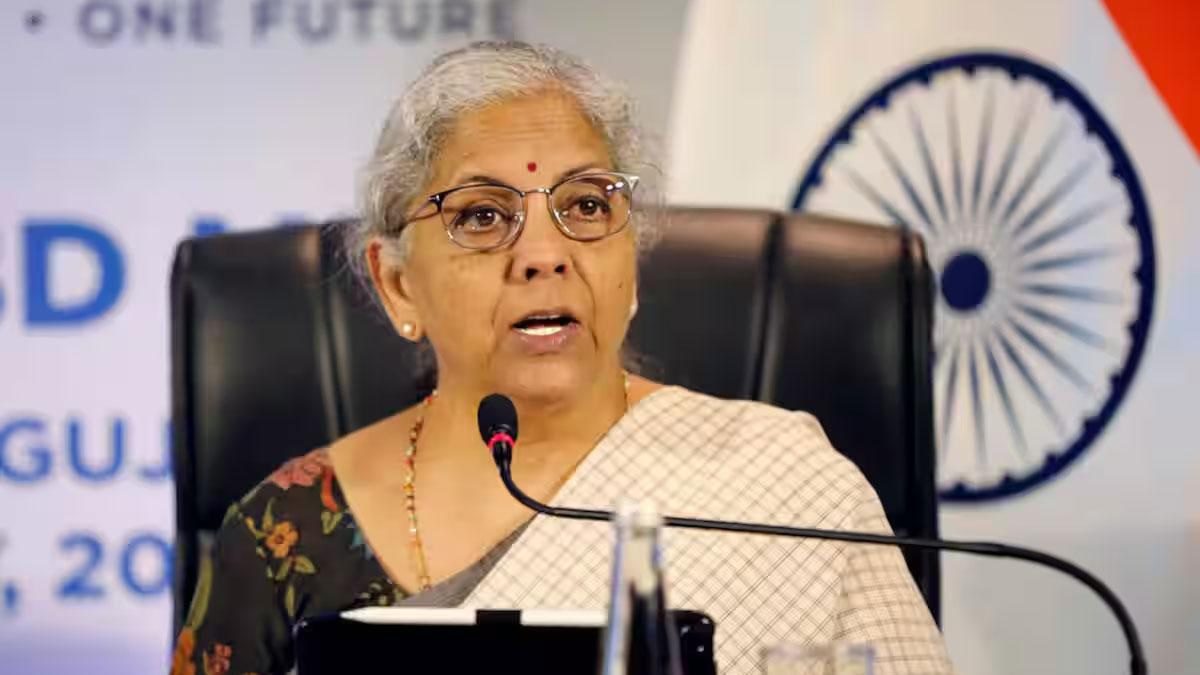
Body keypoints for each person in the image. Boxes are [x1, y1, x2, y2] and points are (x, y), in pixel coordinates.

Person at [170, 41, 953, 675]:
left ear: (631, 260)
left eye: (585, 204)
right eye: (483, 215)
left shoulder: (786, 487)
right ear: (398, 283)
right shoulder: (284, 536)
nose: (545, 254)